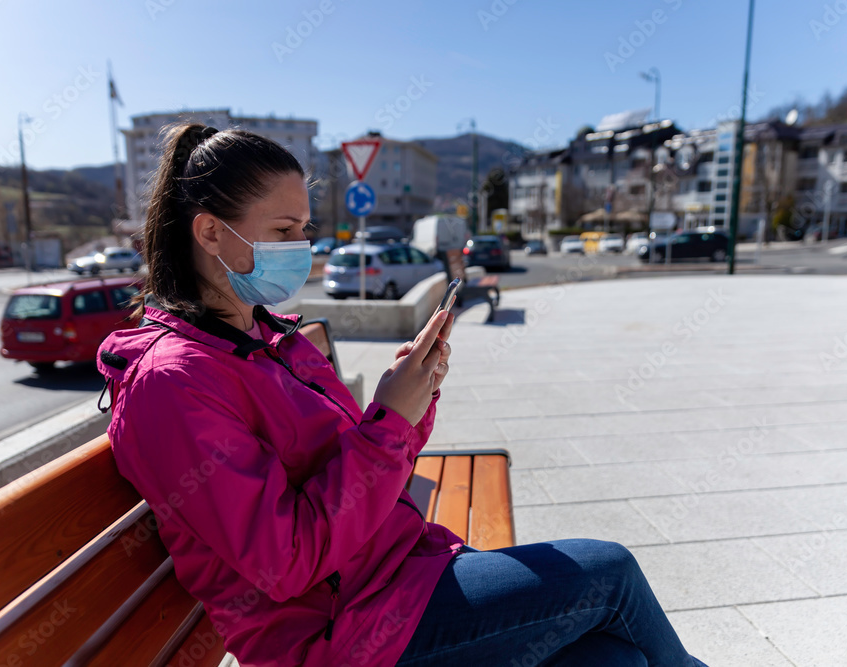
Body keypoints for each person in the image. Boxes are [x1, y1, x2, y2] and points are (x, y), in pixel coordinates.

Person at [97, 123, 708, 667]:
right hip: (342, 636)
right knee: (608, 572)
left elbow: (358, 464)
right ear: (209, 231)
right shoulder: (171, 384)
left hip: (396, 578)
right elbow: (286, 561)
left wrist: (412, 400)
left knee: (616, 658)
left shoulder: (264, 338)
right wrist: (391, 421)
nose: (302, 250)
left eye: (303, 230)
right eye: (283, 230)